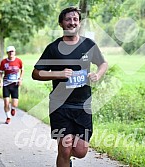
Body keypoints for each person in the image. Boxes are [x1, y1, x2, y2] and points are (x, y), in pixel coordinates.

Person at [32, 7, 108, 167]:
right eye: (68, 19)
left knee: (80, 152)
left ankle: (68, 160)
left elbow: (103, 63)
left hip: (83, 105)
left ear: (79, 23)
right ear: (61, 23)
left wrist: (97, 75)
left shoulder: (88, 45)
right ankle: (64, 159)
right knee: (65, 150)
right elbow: (36, 73)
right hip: (60, 105)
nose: (72, 22)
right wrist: (58, 74)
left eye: (75, 19)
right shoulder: (53, 48)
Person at [0, 46, 24, 124]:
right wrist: (0, 81)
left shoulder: (18, 61)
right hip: (6, 84)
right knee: (6, 102)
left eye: (12, 51)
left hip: (15, 84)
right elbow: (0, 73)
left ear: (15, 52)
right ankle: (8, 117)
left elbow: (22, 70)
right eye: (9, 52)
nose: (11, 53)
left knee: (15, 103)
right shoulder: (3, 62)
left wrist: (20, 79)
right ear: (7, 53)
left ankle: (13, 108)